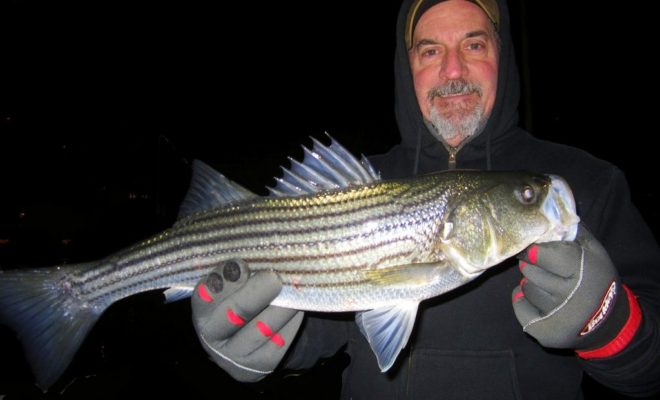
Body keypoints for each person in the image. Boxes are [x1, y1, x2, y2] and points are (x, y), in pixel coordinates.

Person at [189, 0, 660, 398]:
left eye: (474, 45)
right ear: (406, 67)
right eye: (430, 50)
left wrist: (610, 322)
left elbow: (651, 371)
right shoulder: (355, 186)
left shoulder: (590, 181)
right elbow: (317, 334)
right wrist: (256, 343)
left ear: (503, 55)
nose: (453, 71)